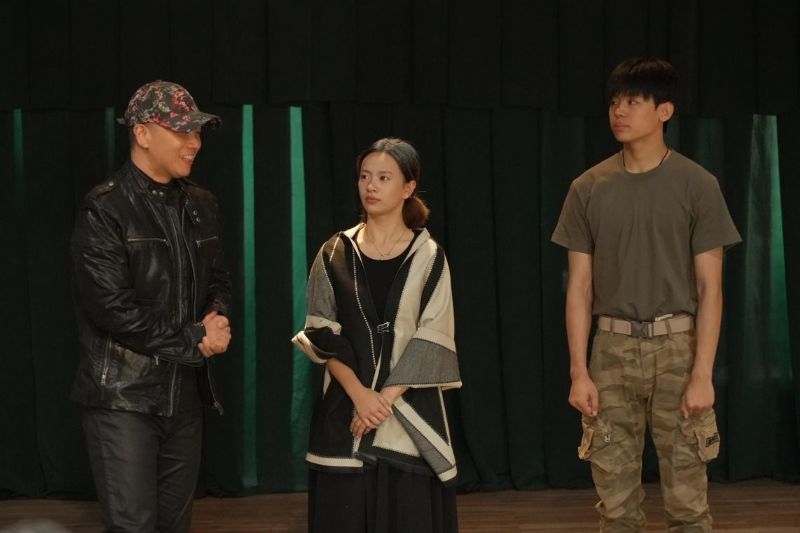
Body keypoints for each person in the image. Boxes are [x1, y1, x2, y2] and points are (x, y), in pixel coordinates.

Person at [552, 58, 741, 532]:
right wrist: (579, 371)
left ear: (664, 111)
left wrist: (702, 374)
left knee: (688, 504)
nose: (619, 111)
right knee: (615, 506)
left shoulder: (698, 185)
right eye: (614, 102)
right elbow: (579, 288)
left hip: (678, 346)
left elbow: (710, 289)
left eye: (633, 102)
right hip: (610, 348)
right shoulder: (587, 188)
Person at [70, 80, 232, 532]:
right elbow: (111, 308)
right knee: (133, 526)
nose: (194, 142)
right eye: (182, 131)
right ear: (142, 133)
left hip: (185, 398)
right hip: (123, 400)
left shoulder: (202, 203)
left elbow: (218, 280)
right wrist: (195, 338)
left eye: (197, 132)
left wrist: (217, 317)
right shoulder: (105, 208)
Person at [292, 138, 461, 533]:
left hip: (410, 414)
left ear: (408, 187)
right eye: (365, 176)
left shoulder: (430, 255)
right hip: (346, 414)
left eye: (384, 178)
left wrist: (381, 402)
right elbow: (321, 332)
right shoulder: (333, 252)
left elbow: (434, 334)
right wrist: (360, 396)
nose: (371, 186)